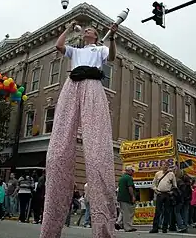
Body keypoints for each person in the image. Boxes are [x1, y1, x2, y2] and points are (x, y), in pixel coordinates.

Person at [40, 21, 118, 238]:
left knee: (97, 154)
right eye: (85, 30)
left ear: (96, 35)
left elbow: (111, 57)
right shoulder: (75, 50)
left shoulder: (99, 48)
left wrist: (112, 38)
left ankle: (104, 230)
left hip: (92, 86)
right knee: (56, 153)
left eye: (90, 30)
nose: (86, 31)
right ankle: (50, 228)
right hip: (72, 86)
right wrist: (67, 28)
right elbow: (58, 46)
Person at [150, 161, 177, 233]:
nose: (165, 166)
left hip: (168, 194)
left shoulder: (171, 174)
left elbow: (175, 185)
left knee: (167, 212)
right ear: (161, 166)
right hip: (160, 193)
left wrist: (172, 191)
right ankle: (155, 228)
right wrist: (156, 191)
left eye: (166, 165)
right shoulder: (157, 174)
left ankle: (164, 228)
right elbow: (153, 184)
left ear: (168, 166)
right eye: (164, 165)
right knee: (158, 211)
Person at [115, 166, 137, 232]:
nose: (133, 173)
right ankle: (128, 227)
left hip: (121, 198)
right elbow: (130, 187)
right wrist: (133, 196)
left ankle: (118, 223)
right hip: (126, 198)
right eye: (132, 171)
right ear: (129, 171)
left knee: (123, 211)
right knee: (128, 213)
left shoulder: (121, 178)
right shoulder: (129, 178)